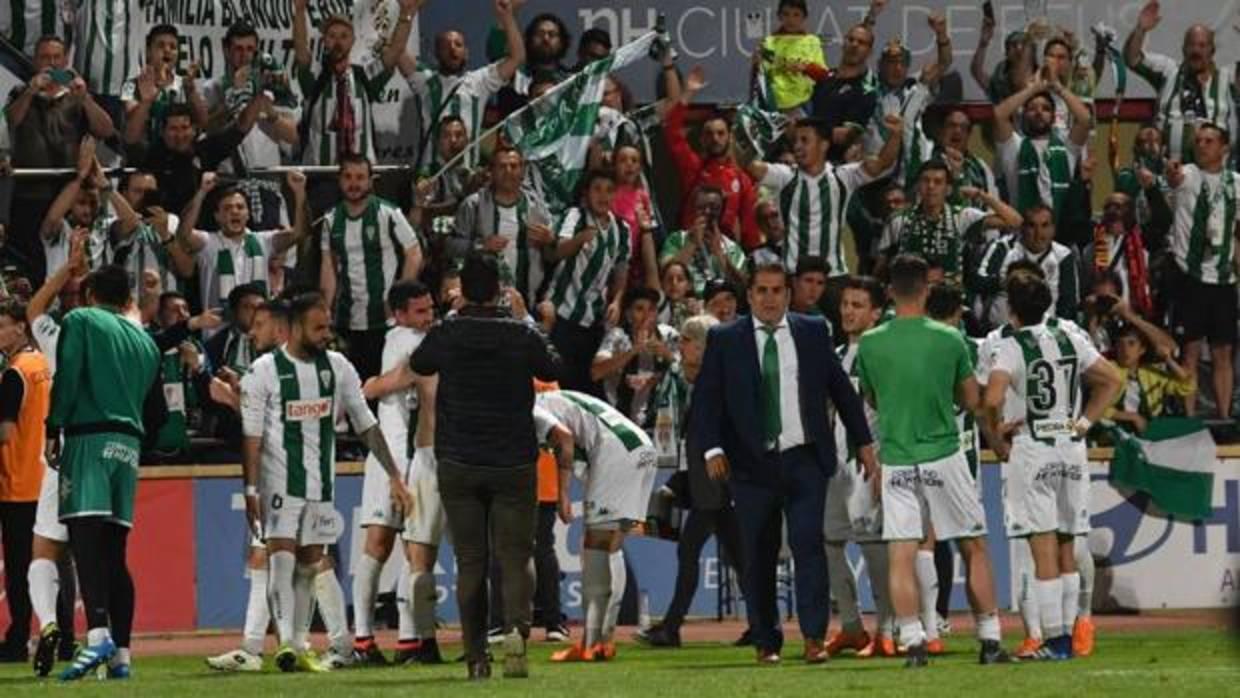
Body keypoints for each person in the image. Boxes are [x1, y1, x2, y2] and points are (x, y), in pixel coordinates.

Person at [693, 261, 878, 665]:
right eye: (762, 290)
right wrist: (712, 449)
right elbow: (706, 399)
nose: (770, 298)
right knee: (757, 555)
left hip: (806, 459)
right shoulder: (726, 339)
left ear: (788, 294)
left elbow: (841, 390)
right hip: (750, 465)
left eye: (778, 290)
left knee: (808, 545)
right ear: (750, 295)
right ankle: (766, 640)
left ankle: (814, 638)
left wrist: (863, 441)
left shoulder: (812, 331)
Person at [240, 292, 412, 673]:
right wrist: (251, 490)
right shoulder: (265, 370)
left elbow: (366, 424)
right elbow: (251, 438)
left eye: (328, 327)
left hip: (321, 486)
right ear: (295, 327)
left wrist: (395, 476)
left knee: (308, 564)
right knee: (281, 560)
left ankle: (300, 644)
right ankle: (286, 643)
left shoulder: (338, 367)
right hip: (279, 483)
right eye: (318, 328)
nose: (325, 335)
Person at [409, 252, 560, 680]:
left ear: (463, 290)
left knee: (471, 559)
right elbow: (554, 366)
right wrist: (525, 320)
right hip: (512, 459)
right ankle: (516, 630)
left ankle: (476, 656)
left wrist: (453, 317)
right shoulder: (519, 333)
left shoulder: (448, 331)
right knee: (516, 555)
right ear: (499, 289)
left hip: (458, 458)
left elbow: (420, 362)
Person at [855, 254, 1009, 668]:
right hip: (943, 453)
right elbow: (971, 399)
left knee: (902, 552)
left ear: (888, 291)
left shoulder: (870, 343)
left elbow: (871, 397)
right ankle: (990, 639)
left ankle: (912, 641)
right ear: (926, 289)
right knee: (974, 546)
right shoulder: (948, 339)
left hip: (898, 458)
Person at [983, 272, 1122, 660]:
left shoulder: (1010, 346)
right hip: (1071, 448)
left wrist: (997, 434)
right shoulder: (1070, 336)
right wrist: (1084, 423)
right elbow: (1112, 381)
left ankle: (1055, 640)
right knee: (1067, 548)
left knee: (1041, 548)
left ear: (1011, 308)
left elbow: (993, 397)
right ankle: (1069, 637)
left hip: (1033, 448)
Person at [48, 265, 162, 681]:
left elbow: (69, 375)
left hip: (90, 437)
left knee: (85, 540)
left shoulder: (80, 319)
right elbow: (158, 411)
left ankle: (97, 638)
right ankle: (122, 656)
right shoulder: (145, 342)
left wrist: (52, 427)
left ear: (91, 293)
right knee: (115, 553)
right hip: (127, 446)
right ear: (126, 298)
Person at [638, 314, 748, 649]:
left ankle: (671, 627)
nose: (681, 346)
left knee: (690, 552)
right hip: (708, 479)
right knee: (738, 556)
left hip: (714, 479)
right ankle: (761, 622)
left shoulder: (718, 380)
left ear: (704, 345)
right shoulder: (711, 378)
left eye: (687, 340)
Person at [351, 280, 436, 665]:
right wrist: (374, 386)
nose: (428, 317)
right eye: (420, 311)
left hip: (410, 456)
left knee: (402, 548)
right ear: (399, 315)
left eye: (430, 309)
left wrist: (371, 386)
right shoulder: (405, 339)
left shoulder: (408, 338)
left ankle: (399, 639)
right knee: (386, 546)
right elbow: (405, 377)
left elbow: (381, 386)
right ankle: (371, 638)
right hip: (392, 458)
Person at [538, 388, 658, 662]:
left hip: (616, 453)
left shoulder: (531, 408)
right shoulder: (555, 399)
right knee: (610, 546)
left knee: (595, 545)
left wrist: (563, 494)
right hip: (641, 448)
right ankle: (605, 639)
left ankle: (590, 644)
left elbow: (565, 440)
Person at [746, 115, 902, 322]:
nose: (797, 147)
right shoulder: (785, 176)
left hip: (834, 277)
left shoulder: (843, 176)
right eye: (796, 141)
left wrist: (896, 135)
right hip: (794, 277)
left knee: (843, 334)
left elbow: (882, 163)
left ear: (823, 145)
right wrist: (742, 138)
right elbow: (750, 166)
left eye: (805, 140)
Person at [822, 276, 897, 658]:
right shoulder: (836, 353)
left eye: (857, 305)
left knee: (875, 547)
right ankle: (851, 626)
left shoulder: (881, 351)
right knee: (830, 541)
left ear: (876, 313)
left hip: (871, 461)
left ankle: (888, 628)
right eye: (845, 304)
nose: (848, 311)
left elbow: (889, 409)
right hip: (837, 465)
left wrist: (884, 462)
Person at [5, 35, 115, 283]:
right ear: (35, 61)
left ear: (66, 61)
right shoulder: (21, 91)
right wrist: (32, 90)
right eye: (45, 57)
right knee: (31, 264)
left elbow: (106, 130)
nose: (51, 63)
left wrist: (85, 98)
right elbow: (12, 121)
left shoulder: (75, 96)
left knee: (70, 261)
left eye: (57, 57)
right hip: (28, 196)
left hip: (69, 195)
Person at [319, 154, 423, 381]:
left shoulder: (388, 213)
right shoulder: (330, 219)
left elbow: (414, 253)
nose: (354, 183)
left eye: (360, 177)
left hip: (384, 320)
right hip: (345, 320)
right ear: (339, 180)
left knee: (383, 386)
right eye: (348, 177)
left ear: (370, 181)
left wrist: (399, 298)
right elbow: (328, 266)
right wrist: (325, 309)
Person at [1164, 123, 1237, 419]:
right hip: (1189, 278)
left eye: (1209, 141)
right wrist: (1171, 171)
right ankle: (1189, 418)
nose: (1202, 145)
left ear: (1224, 148)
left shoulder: (1237, 183)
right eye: (1199, 140)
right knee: (1190, 352)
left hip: (1223, 280)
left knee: (1223, 354)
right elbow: (1174, 177)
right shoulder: (1189, 175)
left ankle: (1224, 418)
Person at [201, 21, 302, 231]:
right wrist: (231, 99)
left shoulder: (273, 87)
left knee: (272, 257)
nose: (244, 55)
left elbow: (292, 136)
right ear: (226, 50)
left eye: (250, 49)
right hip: (228, 186)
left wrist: (270, 112)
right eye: (238, 49)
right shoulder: (213, 88)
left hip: (266, 183)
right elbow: (206, 130)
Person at [290, 0, 417, 167]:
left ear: (352, 40)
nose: (338, 42)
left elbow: (395, 51)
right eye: (332, 36)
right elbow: (301, 51)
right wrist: (299, 12)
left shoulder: (364, 77)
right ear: (324, 41)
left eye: (344, 36)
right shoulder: (315, 78)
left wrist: (405, 15)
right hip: (321, 176)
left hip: (359, 176)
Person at [177, 170, 309, 323]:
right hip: (218, 332)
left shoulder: (263, 241)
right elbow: (183, 234)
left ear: (247, 214)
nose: (234, 212)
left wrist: (299, 192)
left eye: (240, 207)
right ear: (217, 217)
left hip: (257, 329)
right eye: (227, 208)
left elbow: (299, 233)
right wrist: (202, 192)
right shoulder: (209, 243)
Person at [405, 0, 523, 169]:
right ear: (436, 53)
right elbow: (398, 52)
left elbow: (516, 57)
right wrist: (407, 13)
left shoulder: (480, 81)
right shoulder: (424, 81)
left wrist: (507, 18)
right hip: (429, 181)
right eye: (445, 46)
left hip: (469, 181)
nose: (452, 49)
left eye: (458, 44)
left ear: (466, 53)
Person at [547, 170, 631, 395]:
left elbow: (622, 268)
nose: (603, 196)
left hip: (595, 319)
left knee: (587, 386)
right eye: (597, 189)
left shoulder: (622, 229)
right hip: (563, 312)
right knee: (559, 382)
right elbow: (556, 252)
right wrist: (580, 239)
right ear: (586, 193)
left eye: (609, 190)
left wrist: (617, 301)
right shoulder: (576, 216)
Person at [0, 300, 50, 662]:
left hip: (17, 482)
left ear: (21, 327)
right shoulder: (44, 364)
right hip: (46, 479)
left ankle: (18, 640)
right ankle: (61, 638)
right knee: (50, 564)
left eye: (3, 325)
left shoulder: (15, 372)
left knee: (19, 570)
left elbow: (4, 433)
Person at [662, 67, 761, 249]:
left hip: (727, 255)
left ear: (729, 137)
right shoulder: (693, 167)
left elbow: (750, 228)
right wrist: (688, 93)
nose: (715, 138)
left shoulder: (742, 179)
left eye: (720, 133)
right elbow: (671, 130)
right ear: (701, 139)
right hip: (692, 251)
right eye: (709, 134)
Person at [1124, 0, 1233, 163]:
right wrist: (1141, 29)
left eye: (1202, 46)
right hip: (1170, 171)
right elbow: (1132, 59)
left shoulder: (1227, 77)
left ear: (1212, 51)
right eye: (1191, 45)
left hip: (1212, 174)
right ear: (1183, 49)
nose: (1196, 50)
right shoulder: (1169, 71)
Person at [876, 161, 1021, 282]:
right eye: (925, 181)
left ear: (948, 189)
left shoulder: (963, 216)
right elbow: (880, 270)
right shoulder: (898, 220)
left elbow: (1015, 221)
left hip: (949, 303)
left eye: (938, 182)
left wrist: (980, 194)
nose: (931, 186)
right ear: (918, 186)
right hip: (909, 300)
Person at [452, 145, 556, 304]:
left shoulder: (537, 207)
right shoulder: (473, 205)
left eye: (514, 166)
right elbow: (451, 246)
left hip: (526, 298)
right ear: (491, 171)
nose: (508, 171)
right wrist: (481, 245)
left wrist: (549, 241)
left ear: (522, 170)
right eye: (502, 166)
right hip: (483, 301)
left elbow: (550, 254)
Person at [864, 12, 952, 189]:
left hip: (914, 174)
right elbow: (859, 48)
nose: (898, 68)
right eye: (891, 62)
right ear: (880, 65)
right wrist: (871, 16)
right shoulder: (868, 88)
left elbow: (944, 62)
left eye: (903, 63)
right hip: (878, 175)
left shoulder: (916, 87)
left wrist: (941, 35)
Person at [993, 73, 1092, 229]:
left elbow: (1085, 119)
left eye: (1045, 109)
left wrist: (1059, 88)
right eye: (1032, 108)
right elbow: (999, 115)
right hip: (1022, 232)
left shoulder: (1066, 148)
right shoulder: (1014, 146)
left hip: (1061, 232)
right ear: (1024, 115)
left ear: (1053, 117)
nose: (1039, 112)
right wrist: (1032, 89)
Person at [977, 204, 1080, 327]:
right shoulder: (1004, 247)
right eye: (1032, 226)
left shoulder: (1063, 256)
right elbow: (978, 281)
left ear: (1053, 229)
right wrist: (1007, 280)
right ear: (1022, 228)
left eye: (1045, 225)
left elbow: (1069, 303)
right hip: (1000, 330)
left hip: (1045, 333)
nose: (1039, 233)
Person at [591, 287, 678, 427]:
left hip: (658, 421)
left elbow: (687, 372)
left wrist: (667, 355)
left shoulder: (668, 335)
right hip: (618, 419)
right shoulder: (617, 336)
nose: (647, 315)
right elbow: (596, 372)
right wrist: (633, 351)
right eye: (640, 309)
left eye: (651, 309)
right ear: (628, 314)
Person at [121, 24, 209, 148]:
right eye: (160, 45)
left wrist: (191, 90)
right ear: (148, 51)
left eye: (173, 47)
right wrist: (147, 101)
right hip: (143, 159)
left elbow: (204, 123)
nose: (167, 50)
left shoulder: (186, 84)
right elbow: (131, 136)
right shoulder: (129, 86)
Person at [660, 186, 748, 296]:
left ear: (722, 211)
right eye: (701, 207)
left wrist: (720, 254)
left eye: (714, 207)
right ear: (693, 210)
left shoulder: (732, 248)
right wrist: (691, 243)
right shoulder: (676, 239)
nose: (707, 212)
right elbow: (665, 279)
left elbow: (742, 288)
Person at [758, 0, 828, 114]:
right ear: (779, 16)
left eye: (796, 15)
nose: (790, 20)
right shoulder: (768, 42)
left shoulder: (812, 41)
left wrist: (805, 68)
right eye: (786, 14)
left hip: (802, 103)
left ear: (804, 17)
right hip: (774, 105)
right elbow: (762, 75)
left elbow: (823, 74)